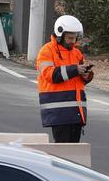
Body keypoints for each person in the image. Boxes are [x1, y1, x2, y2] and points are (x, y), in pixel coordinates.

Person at [36, 15, 93, 143]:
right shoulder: (46, 51)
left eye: (75, 38)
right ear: (60, 35)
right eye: (69, 38)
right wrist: (75, 69)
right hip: (59, 113)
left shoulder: (76, 53)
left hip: (76, 112)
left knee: (73, 151)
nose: (73, 41)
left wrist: (86, 75)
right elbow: (50, 75)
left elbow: (79, 80)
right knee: (62, 152)